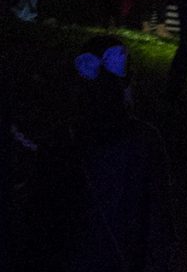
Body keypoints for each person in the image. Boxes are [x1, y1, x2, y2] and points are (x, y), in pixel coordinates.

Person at [25, 40, 177, 270]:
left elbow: (41, 218)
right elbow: (159, 220)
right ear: (127, 84)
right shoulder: (145, 139)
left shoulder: (61, 139)